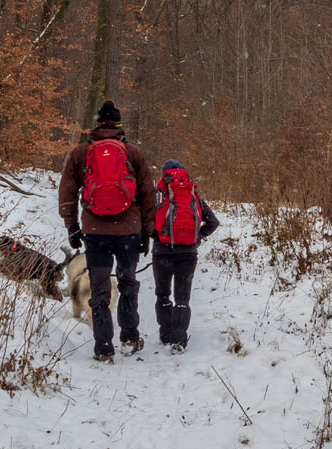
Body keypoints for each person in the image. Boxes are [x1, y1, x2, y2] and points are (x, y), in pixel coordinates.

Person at [59, 101, 156, 360]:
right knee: (127, 284)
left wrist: (72, 225)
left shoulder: (81, 153)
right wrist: (147, 232)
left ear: (96, 124)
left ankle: (103, 348)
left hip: (95, 231)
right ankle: (130, 338)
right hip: (129, 231)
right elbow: (148, 195)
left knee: (99, 290)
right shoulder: (133, 153)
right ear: (119, 125)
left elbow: (67, 191)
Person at [150, 158, 220, 352]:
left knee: (162, 294)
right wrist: (196, 237)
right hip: (188, 254)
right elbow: (213, 222)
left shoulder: (158, 195)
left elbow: (146, 222)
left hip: (162, 252)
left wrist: (157, 236)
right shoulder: (193, 195)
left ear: (164, 175)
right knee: (182, 297)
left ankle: (165, 334)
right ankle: (179, 339)